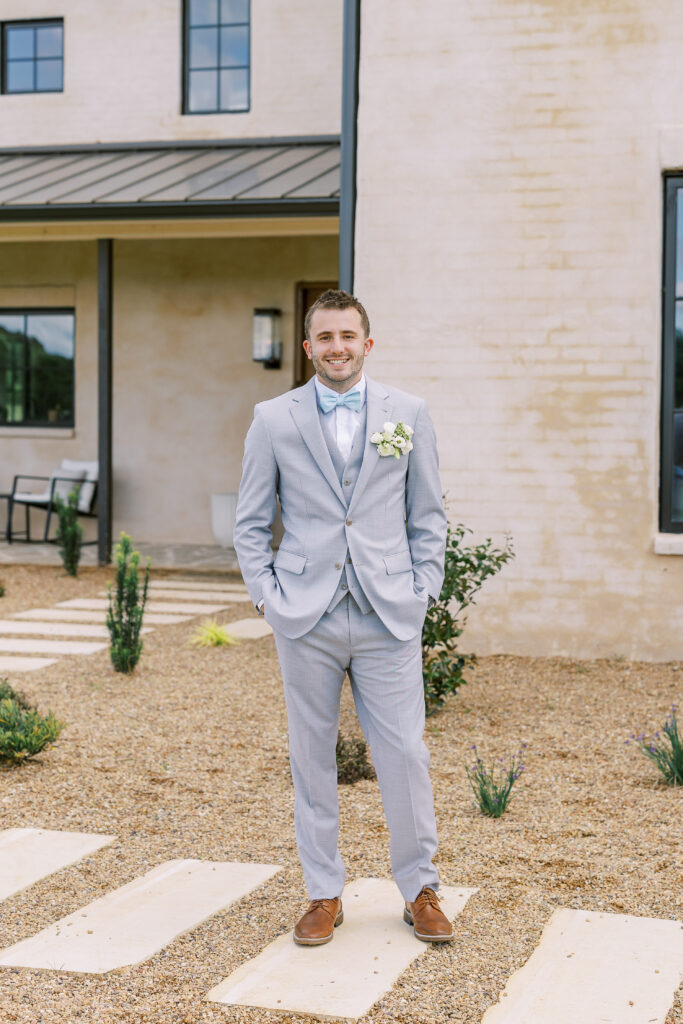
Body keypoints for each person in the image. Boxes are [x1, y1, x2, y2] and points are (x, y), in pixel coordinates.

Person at [233, 289, 451, 945]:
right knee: (311, 758)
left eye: (347, 336)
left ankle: (420, 888)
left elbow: (428, 515)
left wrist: (420, 592)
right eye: (324, 338)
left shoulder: (407, 413)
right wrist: (268, 598)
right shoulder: (272, 419)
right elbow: (250, 525)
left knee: (405, 754)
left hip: (388, 614)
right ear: (307, 348)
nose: (336, 348)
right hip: (306, 616)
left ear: (366, 343)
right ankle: (323, 892)